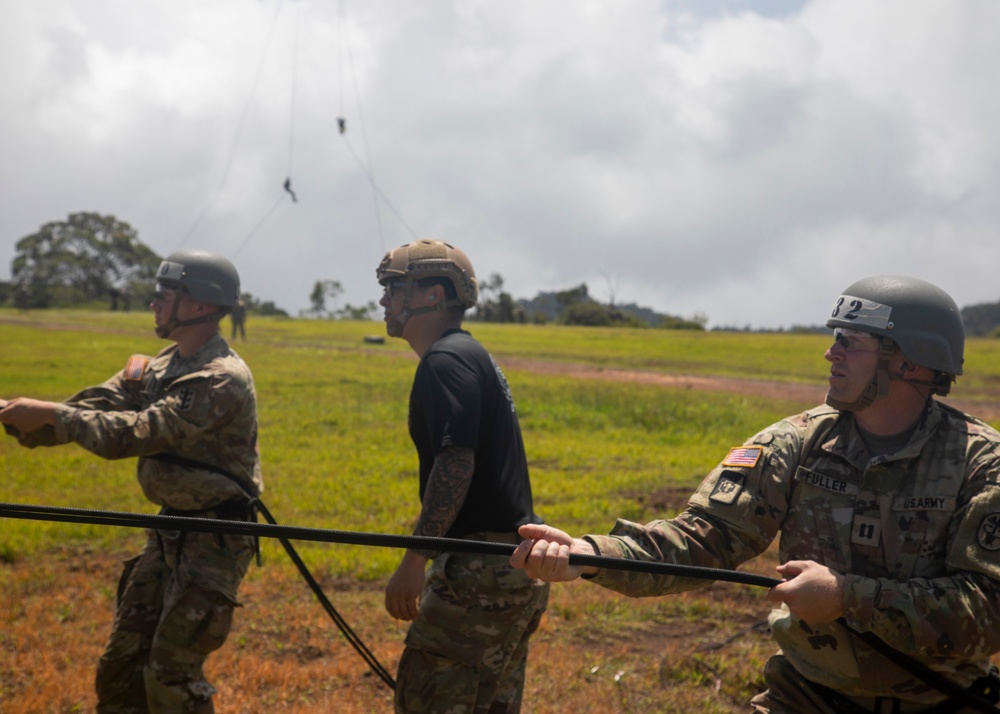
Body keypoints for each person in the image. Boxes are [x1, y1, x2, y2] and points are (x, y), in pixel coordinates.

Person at [511, 275, 1000, 713]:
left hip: (944, 700)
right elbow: (703, 539)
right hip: (806, 695)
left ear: (909, 363)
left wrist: (847, 598)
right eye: (834, 339)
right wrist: (590, 555)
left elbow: (989, 609)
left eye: (851, 343)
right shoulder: (796, 443)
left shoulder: (982, 463)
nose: (831, 354)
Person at [0, 249, 263, 714]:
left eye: (165, 294)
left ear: (201, 306)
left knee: (170, 673)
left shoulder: (220, 379)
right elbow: (98, 404)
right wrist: (18, 416)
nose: (153, 303)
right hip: (169, 529)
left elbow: (136, 433)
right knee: (120, 666)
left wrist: (52, 414)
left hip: (215, 539)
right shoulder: (162, 365)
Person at [376, 238, 550, 713]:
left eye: (395, 287)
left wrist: (415, 557)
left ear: (433, 295)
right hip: (507, 569)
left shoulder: (445, 361)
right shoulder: (467, 354)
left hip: (479, 576)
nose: (383, 300)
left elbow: (456, 463)